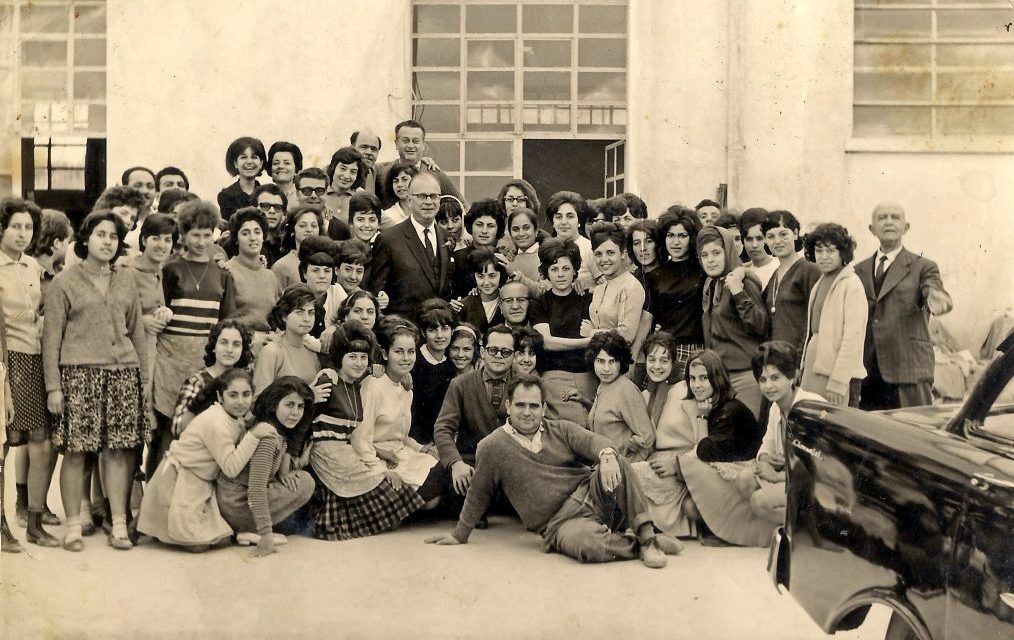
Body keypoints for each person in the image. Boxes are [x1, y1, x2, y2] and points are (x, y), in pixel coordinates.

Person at [425, 374, 682, 569]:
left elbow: (595, 442)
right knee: (588, 547)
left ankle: (648, 538)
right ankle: (635, 543)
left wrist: (606, 455)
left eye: (534, 406)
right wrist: (460, 534)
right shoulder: (492, 447)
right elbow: (478, 493)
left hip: (592, 495)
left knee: (619, 462)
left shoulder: (561, 429)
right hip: (560, 523)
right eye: (521, 405)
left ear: (544, 408)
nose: (527, 412)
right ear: (508, 406)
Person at [44, 210, 151, 551]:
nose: (107, 242)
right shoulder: (65, 281)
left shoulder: (125, 279)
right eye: (101, 234)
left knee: (118, 451)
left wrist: (143, 381)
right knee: (75, 452)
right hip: (78, 375)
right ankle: (74, 525)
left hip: (122, 374)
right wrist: (53, 387)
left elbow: (136, 332)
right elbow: (51, 339)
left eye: (113, 237)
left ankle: (119, 524)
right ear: (86, 239)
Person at [309, 321, 425, 540]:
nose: (359, 363)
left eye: (363, 358)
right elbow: (305, 417)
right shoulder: (328, 377)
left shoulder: (355, 383)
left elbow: (355, 432)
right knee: (391, 495)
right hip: (325, 453)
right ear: (340, 356)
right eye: (352, 357)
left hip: (346, 451)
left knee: (398, 498)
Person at [138, 369, 276, 551]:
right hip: (179, 478)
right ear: (220, 396)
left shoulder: (233, 418)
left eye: (246, 394)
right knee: (197, 544)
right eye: (233, 395)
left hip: (201, 481)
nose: (241, 401)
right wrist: (254, 436)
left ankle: (236, 534)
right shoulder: (216, 421)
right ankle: (147, 525)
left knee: (219, 538)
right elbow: (231, 468)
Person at [151, 200, 236, 475]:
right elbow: (158, 311)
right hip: (169, 356)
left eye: (206, 234)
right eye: (194, 234)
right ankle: (156, 494)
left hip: (203, 357)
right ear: (183, 234)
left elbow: (226, 321)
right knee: (165, 427)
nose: (201, 241)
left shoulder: (223, 275)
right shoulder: (170, 269)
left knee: (196, 423)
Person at [0, 198, 59, 547]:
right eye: (16, 226)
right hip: (8, 363)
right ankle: (1, 523)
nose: (23, 233)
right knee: (4, 446)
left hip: (36, 360)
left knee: (41, 444)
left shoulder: (35, 267)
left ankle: (34, 520)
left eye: (28, 227)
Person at [856, 201, 952, 410]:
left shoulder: (923, 266)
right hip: (867, 373)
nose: (888, 222)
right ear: (872, 229)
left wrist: (936, 299)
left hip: (908, 370)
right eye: (882, 217)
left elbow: (934, 290)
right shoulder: (859, 270)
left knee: (913, 435)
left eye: (895, 217)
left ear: (906, 227)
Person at [216, 376, 316, 557]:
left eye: (300, 406)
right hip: (236, 506)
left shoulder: (274, 428)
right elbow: (256, 490)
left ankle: (245, 531)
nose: (295, 413)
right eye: (289, 405)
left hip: (232, 500)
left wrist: (284, 472)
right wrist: (266, 537)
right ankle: (249, 531)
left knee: (299, 489)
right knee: (306, 483)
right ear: (274, 404)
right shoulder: (269, 438)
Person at [732, 341, 824, 536]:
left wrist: (775, 476)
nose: (769, 386)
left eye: (775, 378)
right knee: (744, 479)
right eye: (763, 380)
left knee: (760, 501)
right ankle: (786, 527)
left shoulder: (810, 407)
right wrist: (765, 458)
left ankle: (813, 531)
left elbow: (817, 467)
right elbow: (766, 445)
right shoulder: (776, 406)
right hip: (792, 477)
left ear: (791, 377)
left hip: (820, 484)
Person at [676, 350, 764, 546]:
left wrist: (701, 417)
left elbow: (703, 452)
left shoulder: (730, 410)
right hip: (726, 473)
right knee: (688, 507)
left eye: (703, 378)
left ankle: (732, 531)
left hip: (743, 480)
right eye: (692, 378)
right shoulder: (713, 404)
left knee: (688, 467)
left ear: (717, 378)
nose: (696, 385)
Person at [432, 325, 516, 509]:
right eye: (493, 350)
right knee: (431, 491)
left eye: (506, 352)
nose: (499, 356)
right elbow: (443, 428)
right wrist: (456, 464)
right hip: (471, 462)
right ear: (483, 351)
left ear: (514, 355)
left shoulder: (524, 383)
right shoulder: (460, 384)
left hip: (513, 464)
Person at [629, 331, 702, 536]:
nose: (657, 366)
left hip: (680, 467)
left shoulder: (685, 391)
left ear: (673, 362)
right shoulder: (647, 394)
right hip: (655, 461)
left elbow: (702, 442)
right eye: (652, 360)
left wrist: (678, 465)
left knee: (629, 474)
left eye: (664, 360)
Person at [356, 318, 440, 492]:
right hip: (378, 459)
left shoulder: (406, 388)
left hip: (402, 455)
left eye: (411, 352)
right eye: (399, 352)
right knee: (433, 492)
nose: (406, 358)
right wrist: (381, 469)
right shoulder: (373, 385)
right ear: (386, 354)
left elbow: (400, 437)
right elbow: (360, 439)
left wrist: (423, 449)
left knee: (443, 471)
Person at [698, 226, 768, 418]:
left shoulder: (743, 282)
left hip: (745, 374)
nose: (710, 260)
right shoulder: (711, 284)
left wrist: (738, 292)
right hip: (720, 375)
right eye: (704, 255)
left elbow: (760, 325)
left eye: (716, 253)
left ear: (728, 251)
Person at [367, 172, 452, 319]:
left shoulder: (447, 237)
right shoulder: (389, 239)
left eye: (433, 196)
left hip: (440, 329)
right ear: (409, 199)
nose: (428, 202)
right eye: (421, 196)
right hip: (404, 329)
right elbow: (377, 292)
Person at [799, 224, 867, 407]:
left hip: (838, 375)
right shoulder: (820, 282)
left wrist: (838, 382)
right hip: (815, 369)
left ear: (843, 252)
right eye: (819, 250)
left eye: (830, 250)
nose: (824, 256)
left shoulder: (851, 284)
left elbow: (852, 338)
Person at [529, 238, 595, 425]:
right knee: (569, 425)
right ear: (546, 272)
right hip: (554, 375)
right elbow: (547, 342)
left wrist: (594, 332)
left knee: (591, 423)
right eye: (554, 269)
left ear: (575, 270)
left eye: (566, 269)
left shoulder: (588, 300)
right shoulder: (539, 304)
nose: (560, 275)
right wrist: (586, 341)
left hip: (587, 374)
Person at [567, 331, 655, 462]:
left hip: (619, 470)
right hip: (602, 464)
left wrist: (625, 469)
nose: (606, 368)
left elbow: (647, 438)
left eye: (612, 361)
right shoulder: (604, 385)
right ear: (593, 360)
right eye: (600, 361)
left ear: (621, 362)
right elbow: (610, 415)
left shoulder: (626, 389)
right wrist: (584, 400)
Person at [646, 209, 706, 380]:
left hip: (693, 347)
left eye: (682, 236)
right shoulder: (655, 274)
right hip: (663, 349)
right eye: (670, 235)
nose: (676, 242)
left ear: (692, 239)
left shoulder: (702, 272)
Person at [762, 210, 821, 353]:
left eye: (783, 234)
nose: (777, 241)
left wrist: (801, 359)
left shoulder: (809, 270)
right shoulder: (774, 276)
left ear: (795, 234)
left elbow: (816, 322)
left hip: (799, 360)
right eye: (771, 236)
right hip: (776, 360)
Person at [374, 120, 464, 209]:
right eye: (405, 141)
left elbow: (461, 204)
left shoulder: (435, 173)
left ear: (423, 145)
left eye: (415, 141)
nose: (410, 145)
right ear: (396, 144)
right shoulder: (382, 172)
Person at [253, 285, 322, 395]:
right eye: (299, 312)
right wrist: (308, 396)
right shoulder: (272, 351)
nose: (307, 319)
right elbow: (258, 400)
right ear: (284, 316)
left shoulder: (312, 351)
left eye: (311, 312)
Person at [585, 222, 645, 344]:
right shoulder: (600, 287)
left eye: (610, 253)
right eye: (598, 254)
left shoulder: (631, 287)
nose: (604, 259)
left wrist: (592, 333)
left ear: (623, 253)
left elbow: (626, 335)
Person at [225, 207, 282, 334]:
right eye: (245, 233)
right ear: (236, 239)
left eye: (257, 232)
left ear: (263, 236)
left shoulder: (270, 276)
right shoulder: (227, 272)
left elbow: (276, 319)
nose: (253, 238)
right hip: (238, 342)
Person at [409, 301, 456, 445]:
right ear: (423, 332)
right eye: (432, 329)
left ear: (452, 331)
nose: (440, 335)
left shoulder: (450, 365)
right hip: (414, 437)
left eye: (445, 328)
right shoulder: (413, 360)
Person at [452, 198, 506, 299]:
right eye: (479, 225)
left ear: (498, 228)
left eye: (490, 226)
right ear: (470, 225)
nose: (484, 231)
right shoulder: (457, 258)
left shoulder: (503, 259)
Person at [547, 190, 599, 290]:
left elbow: (603, 284)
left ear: (579, 221)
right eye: (558, 217)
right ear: (553, 222)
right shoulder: (546, 247)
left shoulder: (590, 248)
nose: (564, 222)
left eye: (570, 216)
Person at [271, 206, 324, 289]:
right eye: (303, 226)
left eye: (314, 226)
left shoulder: (328, 260)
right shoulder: (281, 266)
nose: (309, 230)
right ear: (292, 230)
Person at [217, 136, 266, 221]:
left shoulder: (266, 193)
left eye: (254, 157)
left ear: (261, 163)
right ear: (235, 163)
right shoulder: (226, 196)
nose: (249, 162)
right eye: (243, 157)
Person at [323, 147, 366, 232]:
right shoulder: (319, 192)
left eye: (353, 172)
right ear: (333, 167)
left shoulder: (362, 196)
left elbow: (389, 225)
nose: (346, 176)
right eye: (343, 169)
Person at [739, 208, 777, 289]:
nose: (754, 245)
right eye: (748, 239)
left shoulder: (779, 268)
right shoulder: (740, 272)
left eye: (760, 238)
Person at [253, 183, 288, 265]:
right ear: (253, 209)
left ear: (284, 214)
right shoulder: (243, 243)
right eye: (265, 206)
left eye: (277, 207)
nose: (272, 211)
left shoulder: (287, 246)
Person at [379, 161, 418, 230]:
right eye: (396, 181)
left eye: (405, 180)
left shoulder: (424, 210)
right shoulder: (388, 215)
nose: (399, 185)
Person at [266, 141, 302, 211]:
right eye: (276, 163)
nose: (280, 166)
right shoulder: (264, 196)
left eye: (287, 163)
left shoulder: (303, 197)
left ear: (296, 169)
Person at [350, 128, 382, 194]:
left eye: (374, 149)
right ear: (352, 148)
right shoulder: (336, 170)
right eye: (364, 147)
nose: (369, 152)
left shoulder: (372, 171)